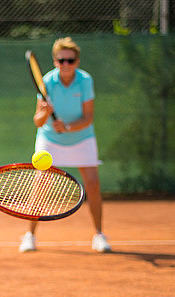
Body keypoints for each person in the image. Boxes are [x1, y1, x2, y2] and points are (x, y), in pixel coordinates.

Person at [19, 37, 111, 253]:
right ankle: (29, 235)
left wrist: (68, 127)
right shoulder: (47, 82)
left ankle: (99, 235)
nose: (66, 65)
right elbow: (37, 121)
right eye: (61, 60)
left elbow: (88, 117)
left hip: (82, 138)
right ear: (55, 61)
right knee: (40, 186)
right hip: (50, 139)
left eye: (70, 60)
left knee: (93, 185)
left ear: (77, 62)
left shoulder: (85, 80)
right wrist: (45, 113)